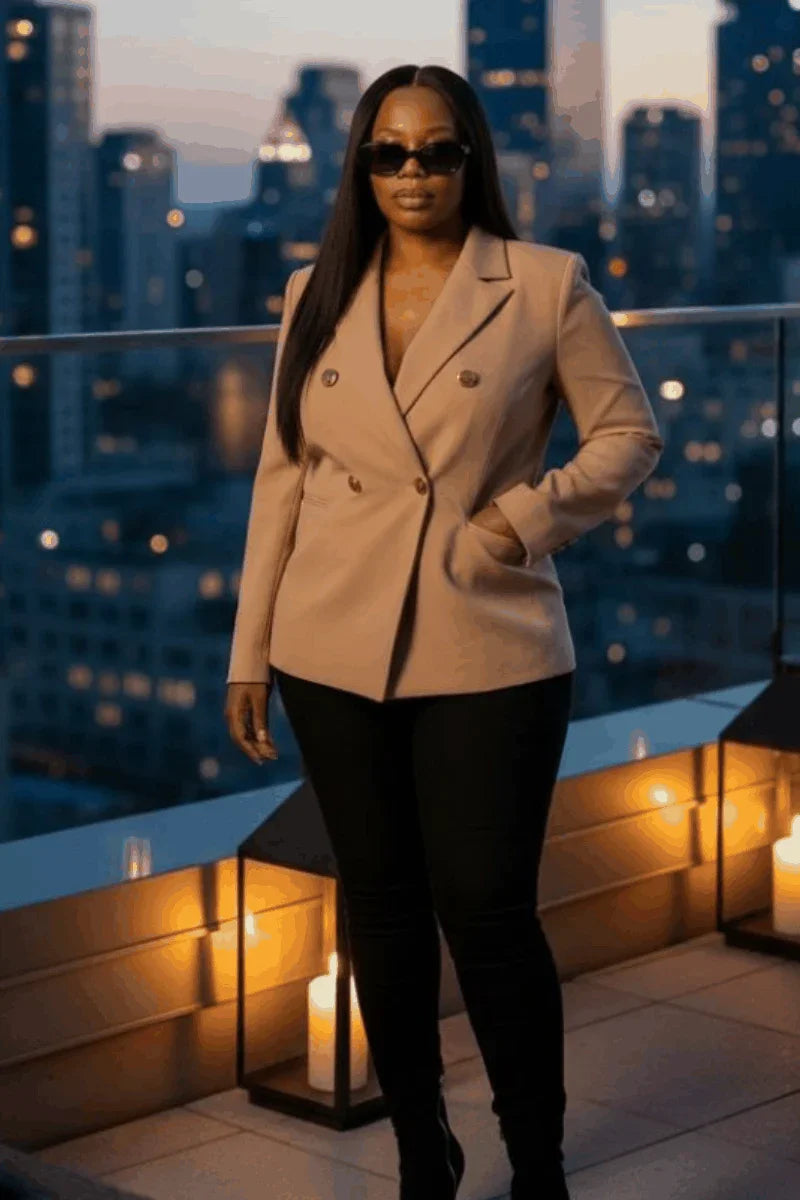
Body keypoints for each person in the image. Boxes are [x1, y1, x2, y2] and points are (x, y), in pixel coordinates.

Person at [225, 63, 664, 1200]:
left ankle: (536, 1163)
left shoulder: (543, 283)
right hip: (328, 644)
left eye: (436, 151)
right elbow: (282, 478)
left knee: (487, 912)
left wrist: (518, 523)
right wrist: (249, 652)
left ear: (471, 160)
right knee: (378, 909)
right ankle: (424, 1151)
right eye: (388, 153)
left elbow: (627, 437)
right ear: (360, 167)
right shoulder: (314, 290)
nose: (411, 172)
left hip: (486, 638)